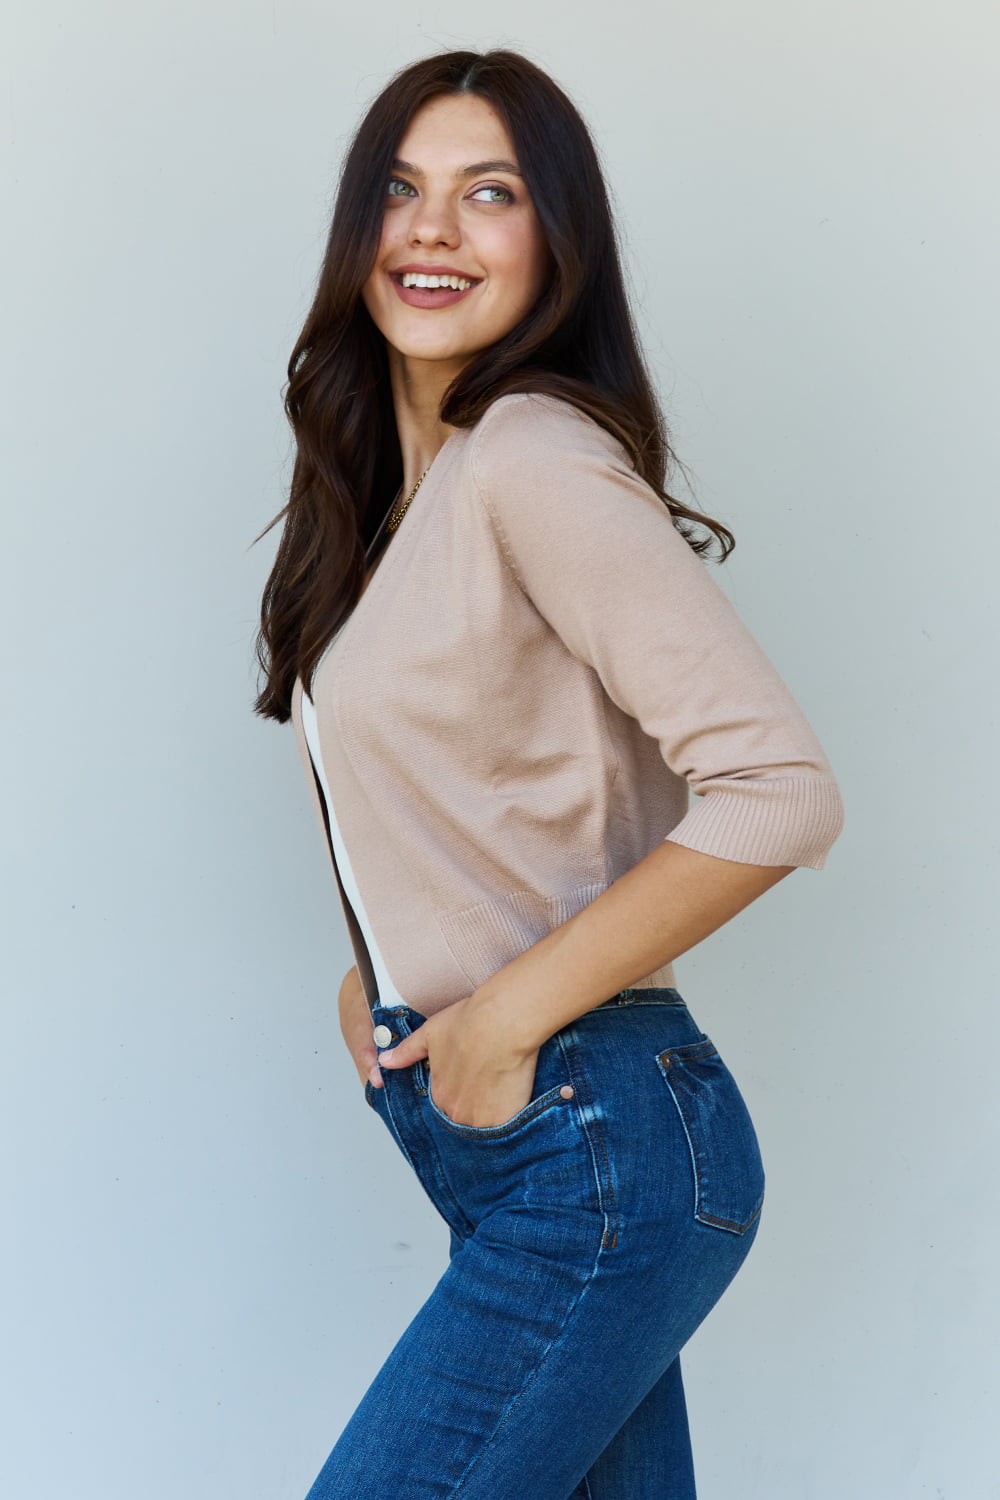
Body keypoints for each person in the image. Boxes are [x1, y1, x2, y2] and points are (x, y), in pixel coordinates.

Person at [254, 46, 845, 1500]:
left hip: (597, 1144)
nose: (433, 228)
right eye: (400, 190)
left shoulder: (530, 454)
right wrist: (381, 969)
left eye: (490, 193)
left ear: (556, 241)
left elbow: (781, 788)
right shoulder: (404, 508)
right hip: (536, 1147)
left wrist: (501, 1011)